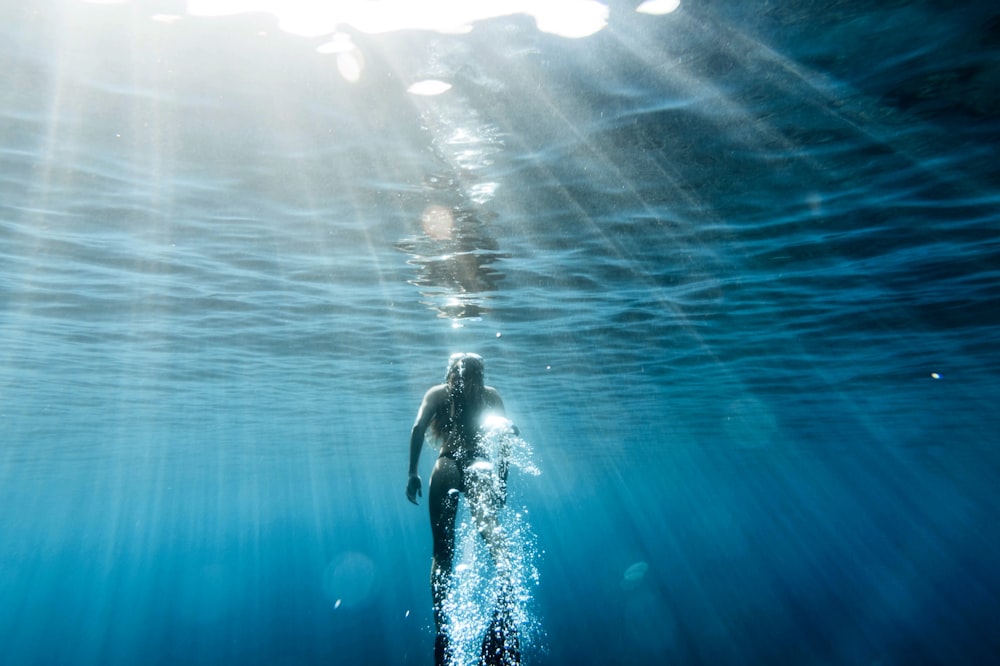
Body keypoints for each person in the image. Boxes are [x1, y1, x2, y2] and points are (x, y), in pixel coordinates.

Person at [406, 353, 519, 666]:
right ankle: (506, 602)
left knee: (443, 552)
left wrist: (412, 472)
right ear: (480, 373)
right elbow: (506, 436)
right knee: (494, 541)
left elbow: (418, 428)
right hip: (479, 465)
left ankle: (443, 627)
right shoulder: (489, 395)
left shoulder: (438, 394)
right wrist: (502, 478)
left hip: (447, 464)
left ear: (449, 372)